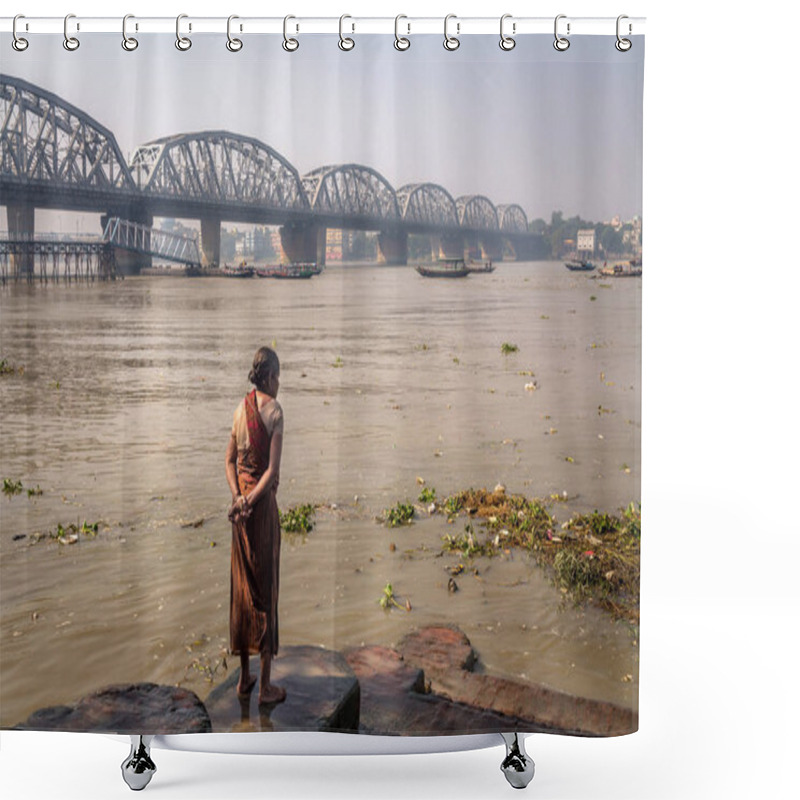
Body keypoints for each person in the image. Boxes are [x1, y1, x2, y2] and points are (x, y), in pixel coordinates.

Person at [225, 346, 286, 706]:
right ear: (269, 376)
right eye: (278, 376)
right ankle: (264, 687)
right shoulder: (275, 412)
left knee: (243, 592)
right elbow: (272, 472)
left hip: (240, 512)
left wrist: (237, 498)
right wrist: (250, 501)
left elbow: (229, 461)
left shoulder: (239, 410)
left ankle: (244, 679)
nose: (279, 383)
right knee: (265, 591)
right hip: (259, 512)